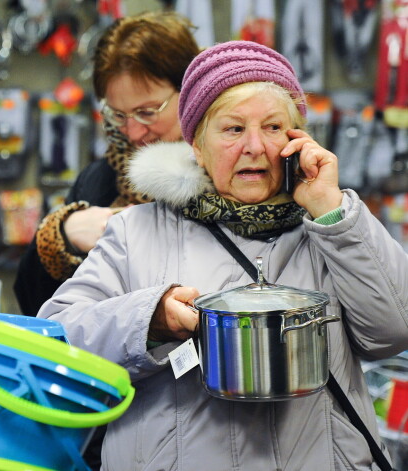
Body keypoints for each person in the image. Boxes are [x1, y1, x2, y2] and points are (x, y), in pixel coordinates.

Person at [38, 40, 408, 470]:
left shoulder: (332, 223)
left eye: (272, 127)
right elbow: (55, 342)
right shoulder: (135, 231)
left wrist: (331, 212)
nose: (254, 146)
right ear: (196, 144)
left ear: (296, 138)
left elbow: (393, 332)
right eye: (233, 129)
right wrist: (149, 320)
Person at [14, 11, 201, 316]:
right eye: (118, 114)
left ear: (192, 90)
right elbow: (36, 308)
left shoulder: (233, 171)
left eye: (148, 111)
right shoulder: (102, 178)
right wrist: (62, 237)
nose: (133, 131)